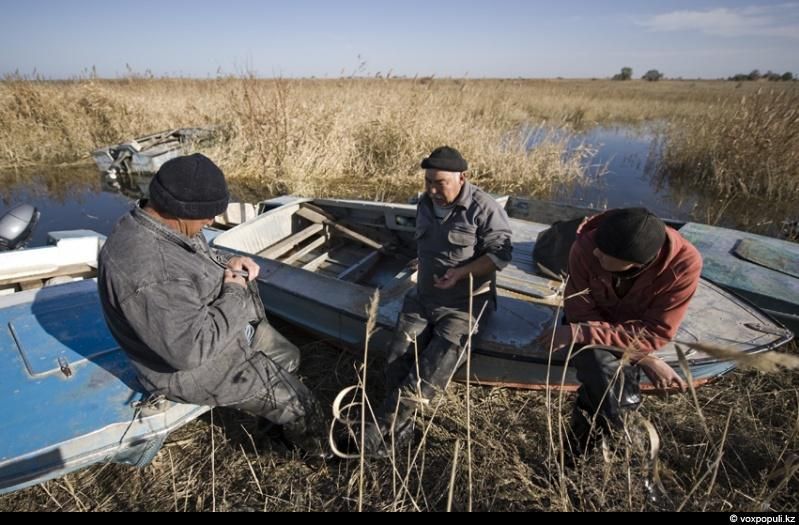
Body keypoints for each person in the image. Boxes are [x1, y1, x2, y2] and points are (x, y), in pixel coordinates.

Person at [98, 153, 326, 456]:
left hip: (219, 332)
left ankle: (272, 428)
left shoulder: (161, 223)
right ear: (179, 210)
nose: (212, 221)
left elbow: (188, 263)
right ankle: (316, 455)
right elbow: (190, 351)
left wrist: (226, 263)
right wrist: (234, 290)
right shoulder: (151, 271)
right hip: (190, 368)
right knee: (302, 405)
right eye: (207, 216)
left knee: (288, 357)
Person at [356, 146, 513, 456]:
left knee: (430, 371)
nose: (431, 189)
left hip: (464, 304)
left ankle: (378, 430)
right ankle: (400, 433)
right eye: (428, 181)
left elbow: (501, 255)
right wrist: (422, 260)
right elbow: (428, 239)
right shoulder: (426, 203)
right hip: (423, 297)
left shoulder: (485, 208)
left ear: (462, 177)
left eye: (439, 182)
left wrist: (461, 273)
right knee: (396, 360)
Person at [544, 207, 702, 454]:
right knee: (597, 363)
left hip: (621, 331)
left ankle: (578, 456)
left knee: (597, 381)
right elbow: (580, 313)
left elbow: (656, 332)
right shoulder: (585, 247)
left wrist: (582, 333)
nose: (595, 252)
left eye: (605, 254)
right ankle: (631, 443)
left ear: (636, 264)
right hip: (591, 323)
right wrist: (645, 357)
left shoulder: (684, 265)